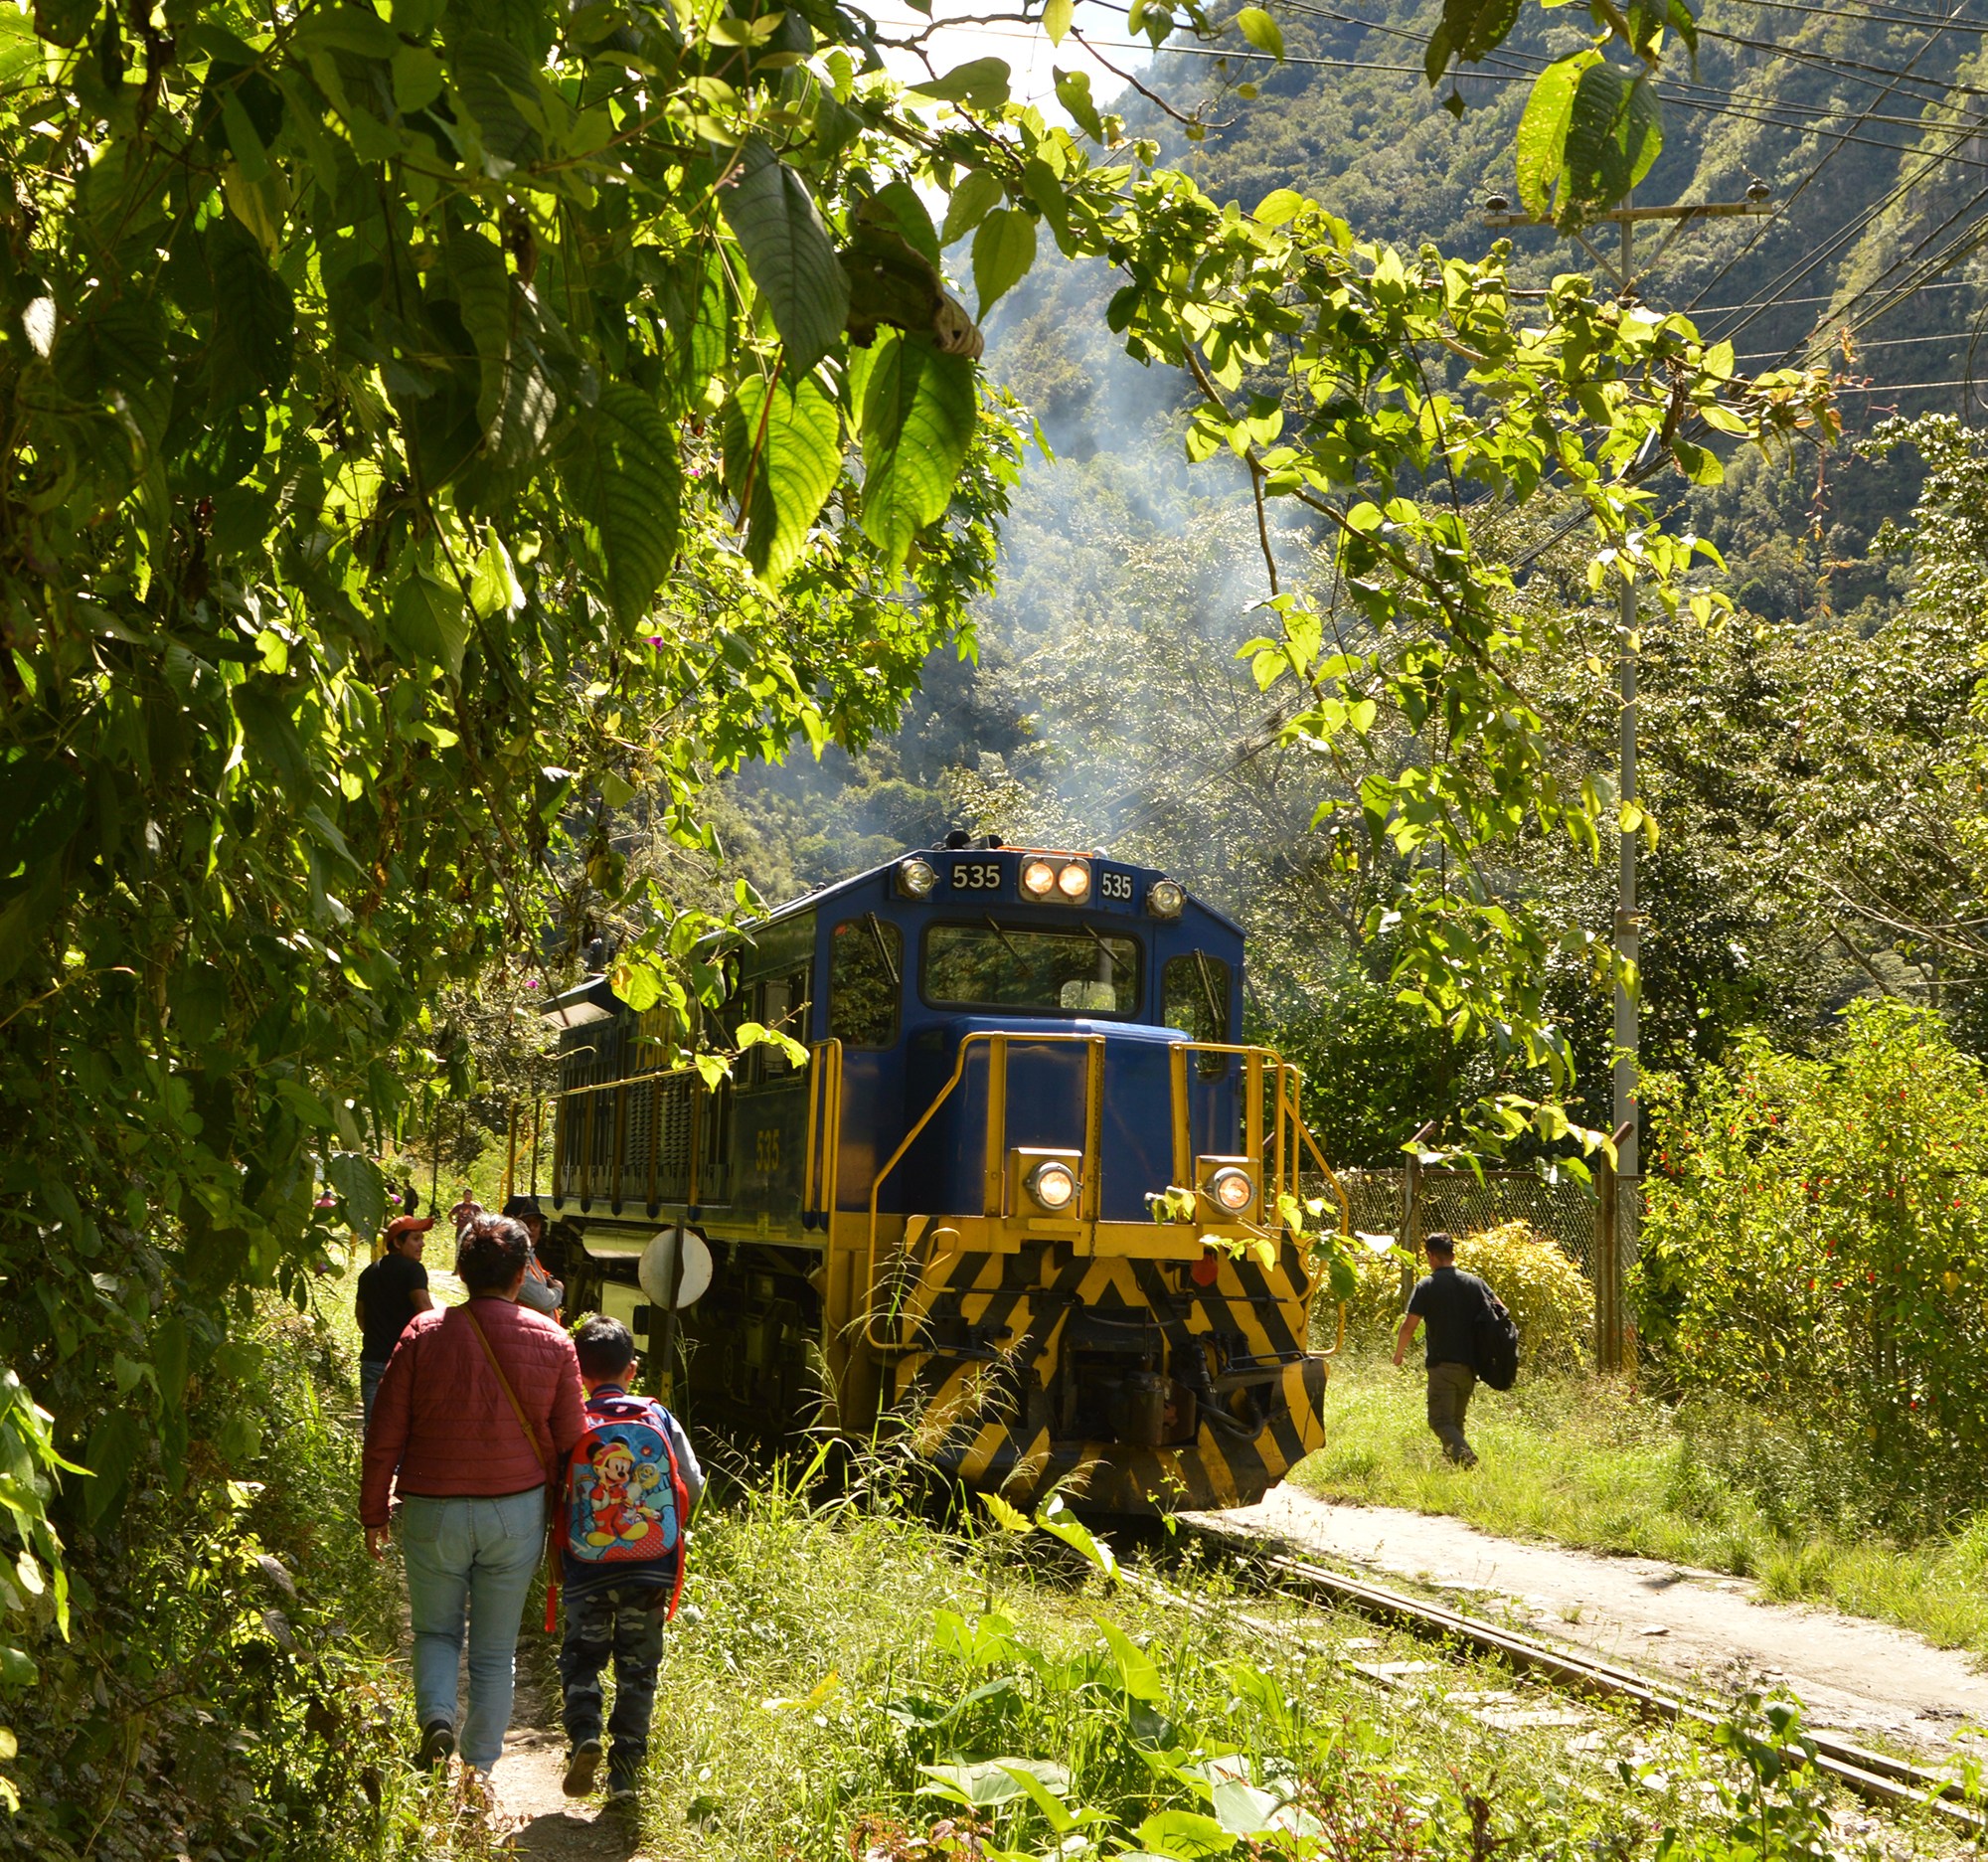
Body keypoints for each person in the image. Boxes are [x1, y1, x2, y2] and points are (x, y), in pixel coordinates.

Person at [361, 1215, 585, 1814]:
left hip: (432, 1507)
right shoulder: (553, 1342)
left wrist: (372, 1510)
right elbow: (573, 1443)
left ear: (459, 1272)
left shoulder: (422, 1334)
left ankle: (436, 1719)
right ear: (522, 1274)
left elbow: (385, 1432)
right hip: (514, 1512)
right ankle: (478, 1772)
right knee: (492, 1649)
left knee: (435, 1631)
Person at [557, 1315, 703, 1807]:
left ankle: (584, 1736)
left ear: (579, 1371)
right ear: (633, 1369)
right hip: (649, 1568)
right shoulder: (659, 1418)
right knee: (638, 1668)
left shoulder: (573, 1419)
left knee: (582, 1657)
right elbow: (694, 1485)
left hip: (586, 1568)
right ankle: (624, 1774)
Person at [1392, 1232, 1502, 1469]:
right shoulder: (1475, 1282)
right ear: (1452, 1254)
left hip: (1443, 1365)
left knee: (1440, 1420)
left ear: (1430, 1256)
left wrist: (1398, 1354)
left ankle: (1469, 1462)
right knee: (1455, 1421)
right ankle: (1457, 1471)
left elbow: (1409, 1326)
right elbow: (1502, 1310)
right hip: (1470, 1366)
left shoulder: (1428, 1285)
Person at [355, 1215, 435, 1429]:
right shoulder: (413, 1270)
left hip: (372, 1361)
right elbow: (424, 1308)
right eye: (416, 1239)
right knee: (406, 1429)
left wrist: (377, 1335)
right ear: (398, 1243)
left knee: (375, 1430)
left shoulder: (368, 1273)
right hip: (404, 1362)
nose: (422, 1244)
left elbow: (360, 1315)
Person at [502, 1193, 565, 1317]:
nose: (531, 1228)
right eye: (526, 1222)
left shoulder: (529, 1254)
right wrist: (558, 1290)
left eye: (536, 1223)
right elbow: (542, 1301)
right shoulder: (510, 1258)